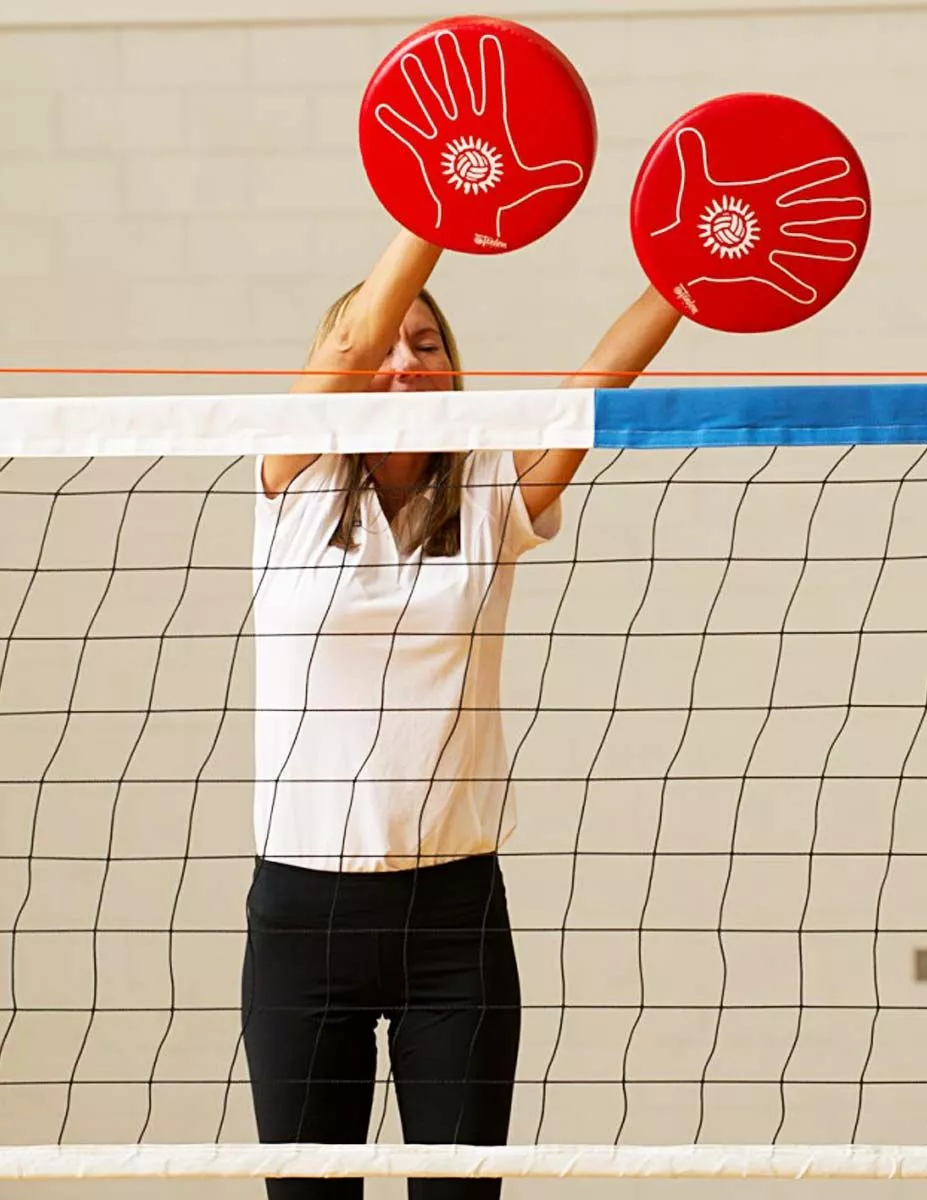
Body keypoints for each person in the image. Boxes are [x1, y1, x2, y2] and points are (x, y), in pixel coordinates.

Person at [242, 226, 681, 1199]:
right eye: (386, 344)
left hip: (453, 922)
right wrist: (439, 206)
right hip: (302, 921)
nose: (404, 363)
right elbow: (352, 350)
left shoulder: (488, 494)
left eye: (429, 346)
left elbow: (600, 379)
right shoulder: (291, 483)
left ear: (455, 376)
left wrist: (687, 276)